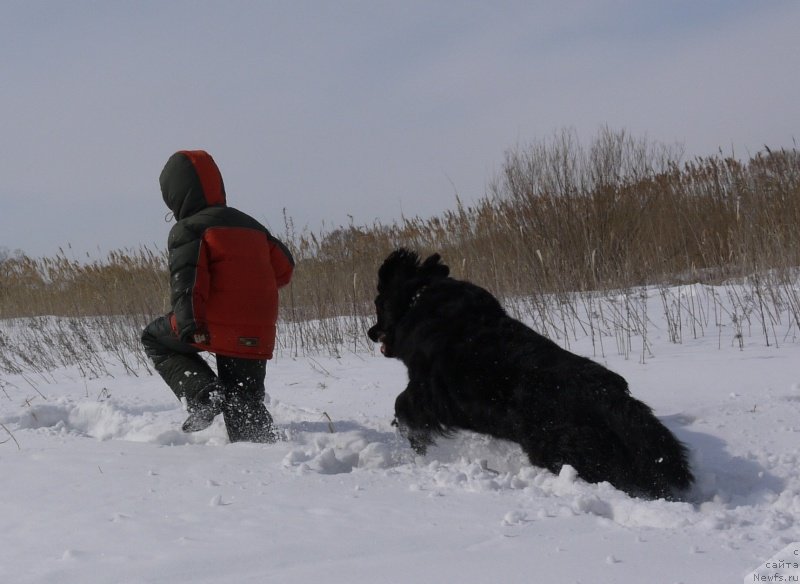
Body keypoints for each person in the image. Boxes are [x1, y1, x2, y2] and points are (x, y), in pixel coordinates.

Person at [142, 150, 294, 443]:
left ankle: (204, 394)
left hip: (213, 325)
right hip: (257, 329)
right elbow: (285, 270)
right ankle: (265, 454)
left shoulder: (189, 229)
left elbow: (187, 281)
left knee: (153, 338)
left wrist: (190, 325)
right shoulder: (253, 226)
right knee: (244, 402)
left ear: (175, 194)